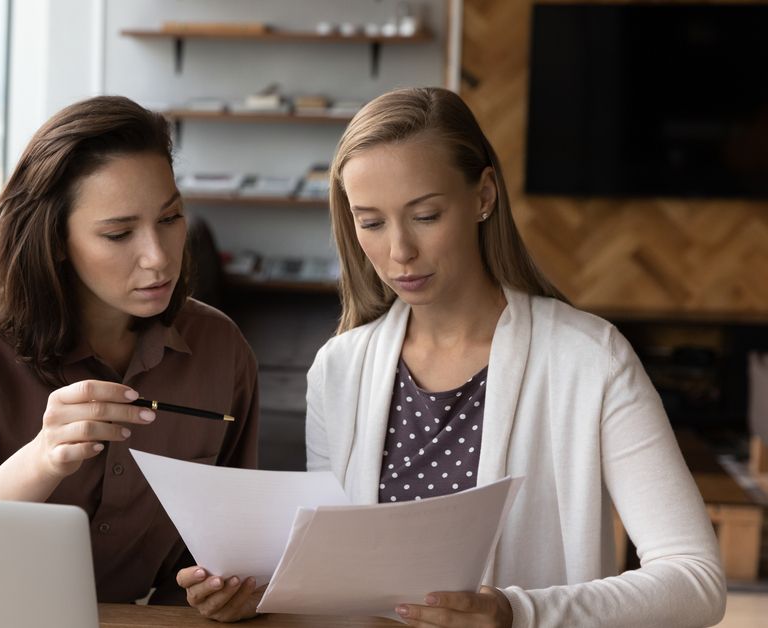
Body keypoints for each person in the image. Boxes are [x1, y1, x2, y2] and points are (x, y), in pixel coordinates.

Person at [179, 87, 726, 626]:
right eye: (370, 222)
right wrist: (263, 594)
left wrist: (518, 613)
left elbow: (695, 581)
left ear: (484, 195)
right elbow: (343, 580)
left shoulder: (591, 359)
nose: (399, 252)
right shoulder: (338, 369)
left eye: (426, 215)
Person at [0, 95, 260, 605]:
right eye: (119, 233)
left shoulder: (220, 349)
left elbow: (228, 546)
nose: (158, 257)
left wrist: (226, 595)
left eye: (170, 219)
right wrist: (41, 460)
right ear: (55, 239)